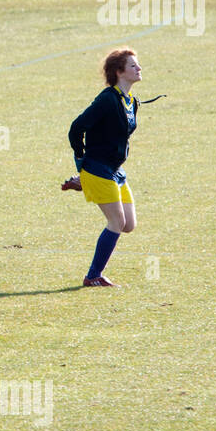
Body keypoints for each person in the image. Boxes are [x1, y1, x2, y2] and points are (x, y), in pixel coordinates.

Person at [67, 49, 144, 287]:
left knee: (129, 225)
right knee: (116, 223)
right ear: (119, 72)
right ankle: (93, 276)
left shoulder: (131, 102)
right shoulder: (107, 99)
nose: (139, 69)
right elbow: (76, 127)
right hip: (97, 167)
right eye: (133, 66)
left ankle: (82, 182)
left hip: (116, 171)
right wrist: (82, 162)